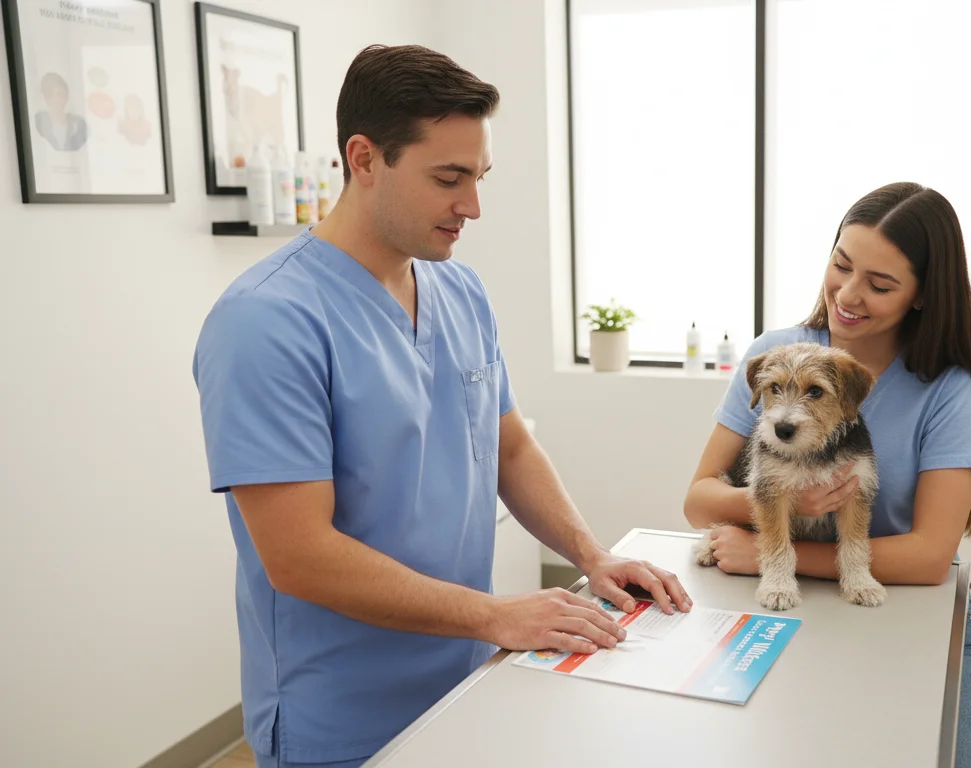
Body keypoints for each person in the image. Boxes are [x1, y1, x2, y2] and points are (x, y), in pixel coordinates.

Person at [193, 44, 692, 768]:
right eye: (449, 178)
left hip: (468, 676)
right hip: (342, 716)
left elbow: (510, 446)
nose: (474, 206)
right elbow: (299, 558)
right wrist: (495, 614)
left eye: (480, 177)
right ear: (364, 159)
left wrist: (591, 554)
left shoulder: (460, 291)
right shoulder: (265, 322)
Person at [683, 182, 971, 767]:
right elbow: (700, 500)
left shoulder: (951, 393)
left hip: (914, 620)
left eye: (880, 285)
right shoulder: (776, 352)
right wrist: (786, 507)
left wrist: (772, 559)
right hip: (786, 610)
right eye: (841, 265)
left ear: (924, 295)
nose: (848, 295)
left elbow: (931, 558)